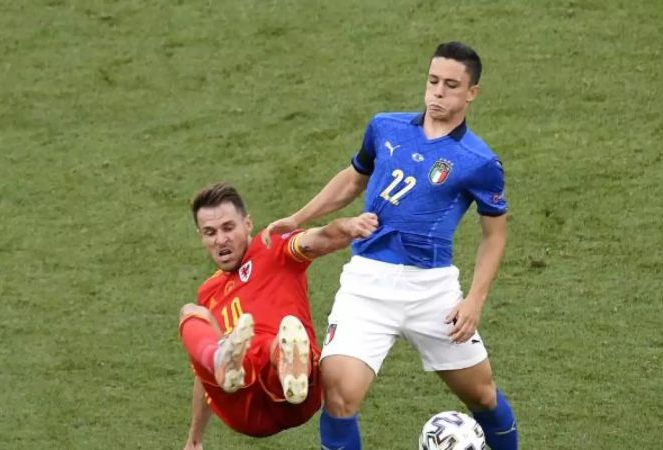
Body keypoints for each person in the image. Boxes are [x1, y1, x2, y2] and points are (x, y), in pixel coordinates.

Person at [264, 42, 518, 450]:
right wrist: (298, 218)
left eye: (451, 85)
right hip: (367, 284)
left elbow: (495, 234)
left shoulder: (480, 162)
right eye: (433, 81)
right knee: (339, 396)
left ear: (472, 93)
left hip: (433, 291)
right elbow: (352, 179)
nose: (437, 92)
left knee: (483, 396)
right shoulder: (385, 127)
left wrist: (474, 301)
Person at [178, 182, 378, 449]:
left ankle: (286, 363)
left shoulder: (272, 246)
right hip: (242, 405)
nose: (221, 240)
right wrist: (194, 438)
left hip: (294, 394)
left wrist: (349, 227)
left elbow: (319, 239)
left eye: (228, 228)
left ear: (248, 223)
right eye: (210, 232)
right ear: (201, 236)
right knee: (193, 314)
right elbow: (202, 374)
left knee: (270, 340)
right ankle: (230, 358)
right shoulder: (209, 293)